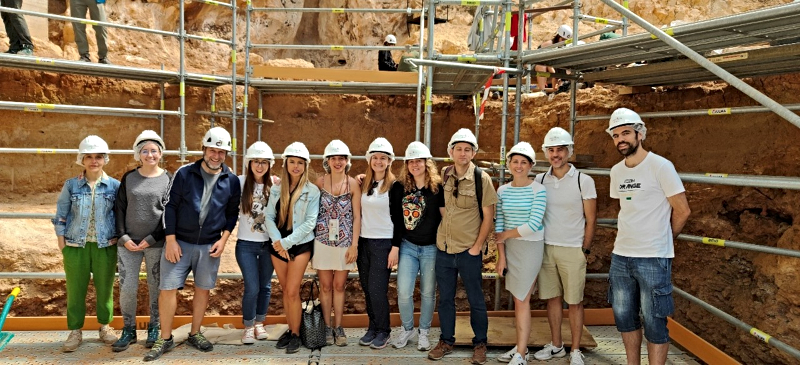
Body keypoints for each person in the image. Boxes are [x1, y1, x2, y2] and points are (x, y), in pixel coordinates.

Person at [144, 127, 241, 361]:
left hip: (209, 245)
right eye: (212, 150)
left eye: (221, 152)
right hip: (179, 242)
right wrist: (170, 240)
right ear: (204, 149)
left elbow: (231, 214)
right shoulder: (184, 173)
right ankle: (165, 338)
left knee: (203, 289)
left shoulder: (232, 181)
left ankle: (195, 333)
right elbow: (170, 206)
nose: (216, 156)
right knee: (167, 289)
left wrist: (223, 239)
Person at [606, 108, 690, 365]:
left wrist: (665, 238)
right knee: (625, 319)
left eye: (626, 133)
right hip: (621, 256)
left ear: (640, 134)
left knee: (655, 321)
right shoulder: (616, 171)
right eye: (616, 135)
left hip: (653, 257)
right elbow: (626, 207)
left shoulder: (661, 166)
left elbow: (683, 210)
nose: (621, 139)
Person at [430, 128, 498, 365]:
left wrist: (477, 247)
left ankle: (480, 343)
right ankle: (446, 341)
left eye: (467, 149)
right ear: (451, 151)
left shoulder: (482, 179)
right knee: (446, 298)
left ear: (473, 153)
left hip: (469, 251)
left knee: (475, 299)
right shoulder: (444, 174)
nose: (462, 153)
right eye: (458, 148)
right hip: (444, 249)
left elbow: (489, 216)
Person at [530, 127, 597, 365]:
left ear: (569, 151)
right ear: (545, 153)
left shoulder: (583, 180)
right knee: (553, 299)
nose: (555, 154)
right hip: (546, 248)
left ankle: (575, 349)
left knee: (575, 301)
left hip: (572, 250)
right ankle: (557, 345)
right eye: (551, 150)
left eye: (560, 149)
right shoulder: (539, 180)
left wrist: (584, 250)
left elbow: (591, 219)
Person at [53, 135, 120, 352]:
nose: (94, 161)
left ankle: (105, 327)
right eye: (89, 156)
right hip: (75, 248)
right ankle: (75, 331)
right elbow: (61, 215)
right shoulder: (71, 185)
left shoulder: (115, 186)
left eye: (98, 156)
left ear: (105, 159)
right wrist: (62, 243)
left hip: (105, 246)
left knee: (105, 288)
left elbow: (120, 216)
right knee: (75, 290)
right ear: (81, 159)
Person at [113, 130, 172, 352]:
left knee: (156, 287)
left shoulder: (168, 179)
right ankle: (128, 330)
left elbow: (169, 213)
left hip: (156, 244)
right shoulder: (129, 178)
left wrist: (152, 237)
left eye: (154, 151)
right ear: (138, 154)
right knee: (128, 288)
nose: (149, 155)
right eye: (145, 151)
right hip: (128, 244)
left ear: (160, 153)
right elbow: (119, 208)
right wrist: (123, 236)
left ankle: (154, 328)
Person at [494, 142, 547, 365]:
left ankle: (522, 354)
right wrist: (501, 256)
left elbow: (534, 223)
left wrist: (506, 236)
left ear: (531, 165)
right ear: (508, 164)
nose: (518, 165)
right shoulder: (502, 190)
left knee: (522, 299)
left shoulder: (538, 189)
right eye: (515, 161)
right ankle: (520, 347)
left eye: (523, 162)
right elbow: (499, 224)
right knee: (518, 299)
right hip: (511, 249)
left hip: (530, 247)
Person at [265, 142, 320, 354]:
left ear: (305, 165)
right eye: (292, 162)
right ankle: (291, 329)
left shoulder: (312, 191)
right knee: (285, 291)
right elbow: (269, 217)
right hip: (278, 244)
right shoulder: (277, 189)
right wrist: (278, 242)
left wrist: (286, 244)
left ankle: (296, 334)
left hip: (300, 244)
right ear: (285, 163)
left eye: (300, 163)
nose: (296, 166)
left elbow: (310, 222)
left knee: (292, 289)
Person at [390, 141, 444, 351]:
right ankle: (407, 329)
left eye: (419, 161)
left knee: (429, 292)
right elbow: (396, 218)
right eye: (411, 161)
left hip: (431, 247)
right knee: (404, 291)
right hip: (408, 246)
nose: (415, 165)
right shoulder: (399, 188)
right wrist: (395, 246)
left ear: (426, 163)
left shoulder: (437, 188)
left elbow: (443, 217)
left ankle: (424, 332)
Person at [312, 139, 362, 347]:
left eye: (341, 158)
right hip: (322, 241)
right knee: (325, 286)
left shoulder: (352, 184)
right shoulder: (320, 183)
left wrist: (354, 245)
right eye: (334, 158)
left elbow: (357, 217)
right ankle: (326, 327)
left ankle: (338, 327)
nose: (338, 162)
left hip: (344, 243)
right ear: (328, 161)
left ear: (347, 161)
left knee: (339, 286)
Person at [355, 137, 399, 349]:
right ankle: (373, 327)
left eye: (383, 158)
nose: (379, 161)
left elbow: (399, 220)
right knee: (366, 287)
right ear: (369, 159)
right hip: (364, 241)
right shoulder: (364, 183)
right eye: (375, 157)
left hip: (384, 244)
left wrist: (395, 248)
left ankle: (384, 330)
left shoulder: (395, 186)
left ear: (389, 161)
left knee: (377, 288)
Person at [236, 141, 279, 344]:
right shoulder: (239, 182)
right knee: (252, 287)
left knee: (265, 286)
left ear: (270, 164)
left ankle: (260, 323)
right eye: (255, 161)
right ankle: (248, 325)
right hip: (246, 244)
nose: (260, 166)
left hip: (268, 245)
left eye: (264, 162)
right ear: (249, 163)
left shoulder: (275, 184)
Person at [534, 24, 572, 96]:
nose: (563, 42)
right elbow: (544, 61)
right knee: (542, 66)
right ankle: (542, 92)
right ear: (558, 36)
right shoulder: (549, 44)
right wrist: (555, 74)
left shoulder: (564, 46)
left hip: (553, 68)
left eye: (565, 40)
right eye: (562, 39)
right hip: (539, 67)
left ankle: (563, 88)